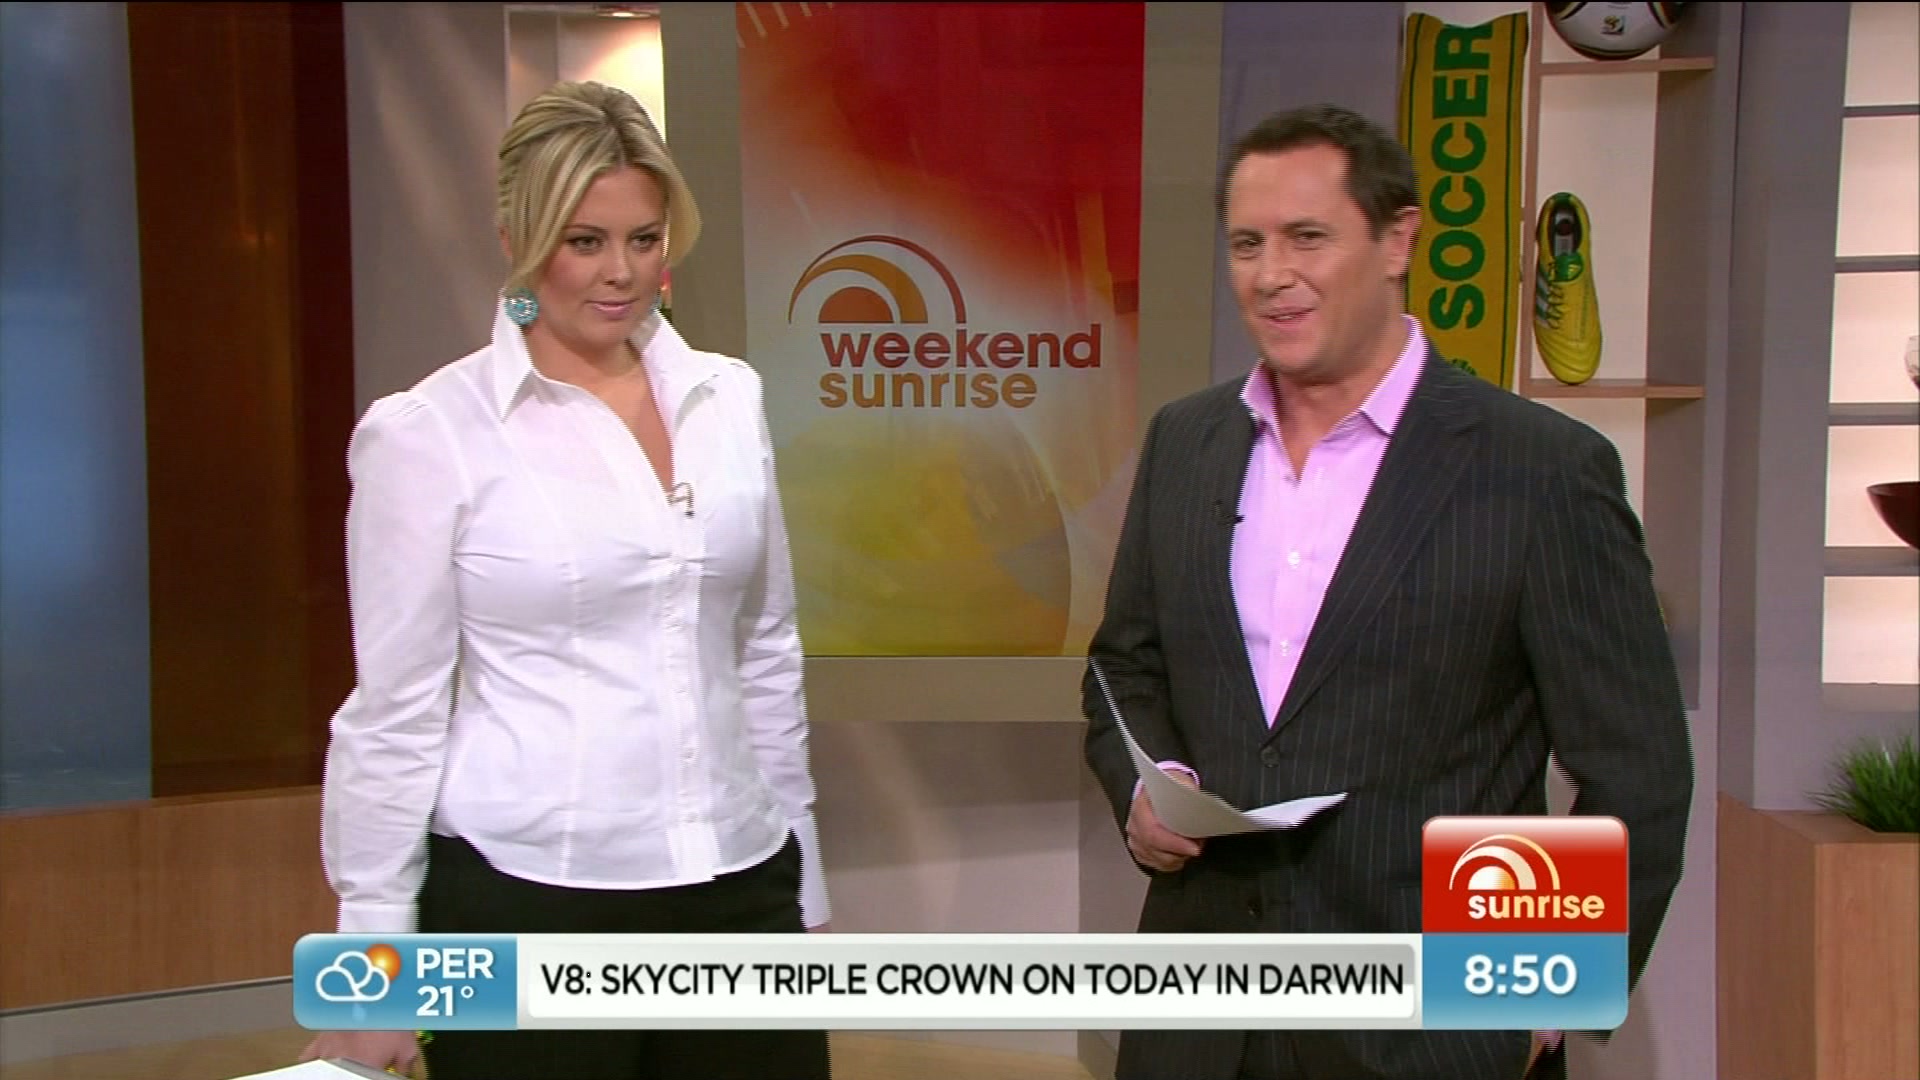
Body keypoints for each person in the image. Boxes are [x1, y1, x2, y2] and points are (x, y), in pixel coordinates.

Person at [1080, 103, 1692, 1080]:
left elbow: (1636, 770)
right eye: (1246, 244)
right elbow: (1125, 664)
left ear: (1398, 239)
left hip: (1428, 1033)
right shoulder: (1185, 442)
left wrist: (1536, 1000)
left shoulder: (1540, 470)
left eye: (1306, 237)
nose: (1270, 274)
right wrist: (1150, 788)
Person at [300, 81, 832, 1080]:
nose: (620, 272)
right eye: (585, 241)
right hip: (521, 899)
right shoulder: (431, 434)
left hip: (740, 885)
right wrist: (369, 976)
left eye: (643, 238)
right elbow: (394, 714)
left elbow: (764, 651)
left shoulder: (728, 399)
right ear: (518, 238)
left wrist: (804, 890)